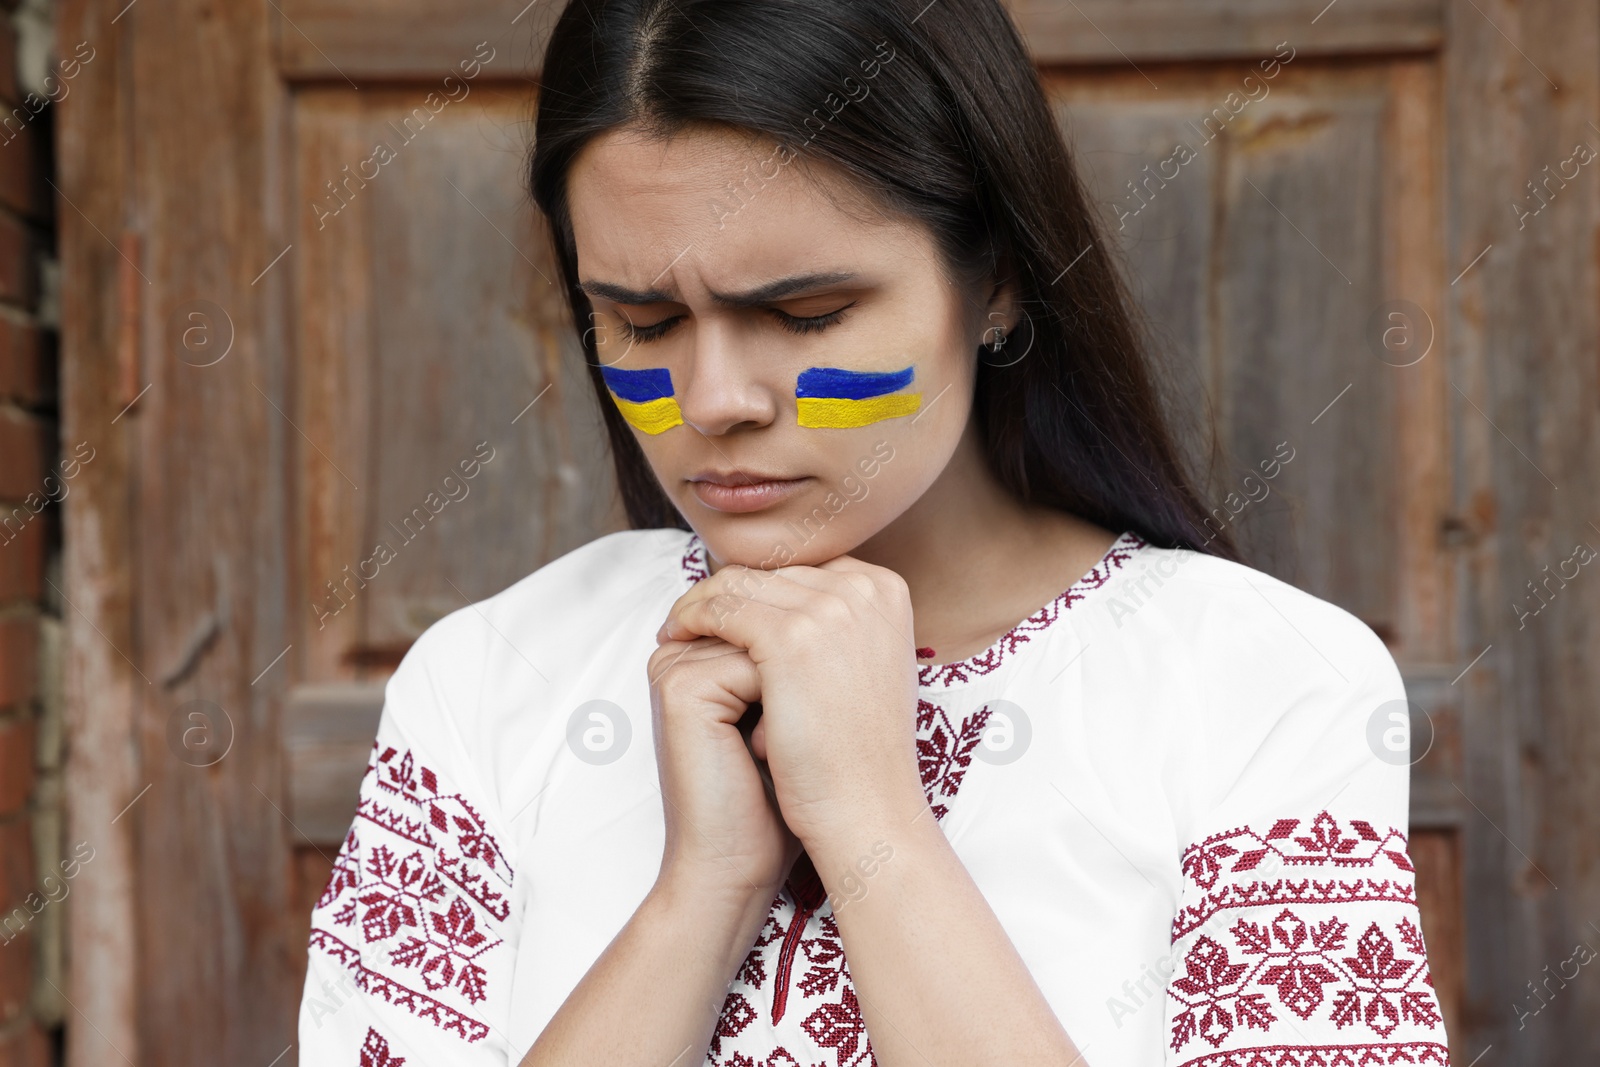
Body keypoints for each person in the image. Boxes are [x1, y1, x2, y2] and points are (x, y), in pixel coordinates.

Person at [296, 0, 1454, 1064]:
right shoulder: (496, 679)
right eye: (642, 321)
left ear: (994, 280)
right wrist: (702, 886)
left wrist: (869, 823)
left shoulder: (1257, 684)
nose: (714, 399)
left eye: (806, 314)